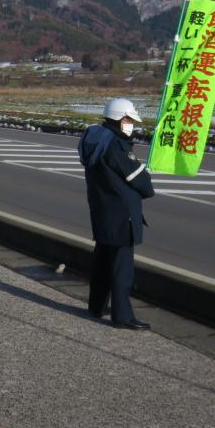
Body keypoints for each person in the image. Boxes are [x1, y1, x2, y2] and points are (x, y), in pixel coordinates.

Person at [78, 98, 155, 330]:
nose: (131, 124)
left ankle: (97, 306)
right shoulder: (117, 146)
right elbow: (142, 183)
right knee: (122, 268)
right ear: (120, 118)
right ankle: (123, 316)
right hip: (122, 214)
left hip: (102, 210)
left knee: (102, 260)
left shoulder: (95, 138)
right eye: (129, 120)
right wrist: (145, 173)